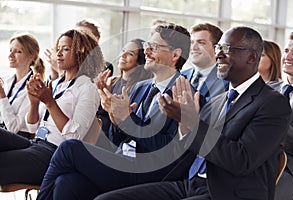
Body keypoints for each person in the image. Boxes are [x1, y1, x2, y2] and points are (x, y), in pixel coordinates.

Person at [94, 26, 291, 200]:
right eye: (218, 49)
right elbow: (185, 149)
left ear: (252, 57)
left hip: (226, 192)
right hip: (189, 183)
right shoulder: (218, 101)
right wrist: (183, 127)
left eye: (226, 49)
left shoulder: (273, 103)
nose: (218, 55)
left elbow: (241, 160)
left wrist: (192, 122)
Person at [36, 23, 192, 200]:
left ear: (175, 54)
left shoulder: (186, 94)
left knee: (69, 148)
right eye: (147, 46)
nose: (147, 51)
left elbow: (171, 153)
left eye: (154, 47)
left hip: (150, 172)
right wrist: (116, 121)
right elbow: (119, 139)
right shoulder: (140, 87)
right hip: (123, 160)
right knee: (66, 182)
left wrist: (128, 119)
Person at [0, 29, 104, 187]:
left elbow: (74, 138)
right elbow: (33, 126)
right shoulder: (56, 84)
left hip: (54, 154)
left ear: (81, 53)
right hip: (36, 143)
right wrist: (34, 103)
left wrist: (50, 103)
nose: (59, 53)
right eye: (58, 49)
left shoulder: (87, 88)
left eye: (66, 49)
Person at [96, 38, 152, 137]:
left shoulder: (140, 88)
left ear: (139, 62)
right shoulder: (111, 82)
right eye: (123, 51)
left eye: (130, 53)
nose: (123, 55)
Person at [269, 32, 293, 200]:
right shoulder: (267, 89)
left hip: (291, 170)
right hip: (254, 161)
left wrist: (278, 124)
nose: (287, 56)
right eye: (287, 50)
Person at [0, 32, 45, 138]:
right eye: (11, 50)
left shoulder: (34, 87)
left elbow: (13, 129)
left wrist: (2, 96)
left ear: (31, 56)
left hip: (17, 138)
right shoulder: (6, 81)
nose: (10, 55)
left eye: (18, 52)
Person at [45, 18, 113, 80]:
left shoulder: (104, 67)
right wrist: (54, 74)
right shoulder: (66, 60)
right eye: (76, 35)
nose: (79, 39)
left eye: (84, 36)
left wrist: (60, 71)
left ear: (96, 39)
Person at [181, 23, 228, 103]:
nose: (194, 47)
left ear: (216, 48)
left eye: (201, 43)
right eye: (192, 42)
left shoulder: (227, 81)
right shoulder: (180, 77)